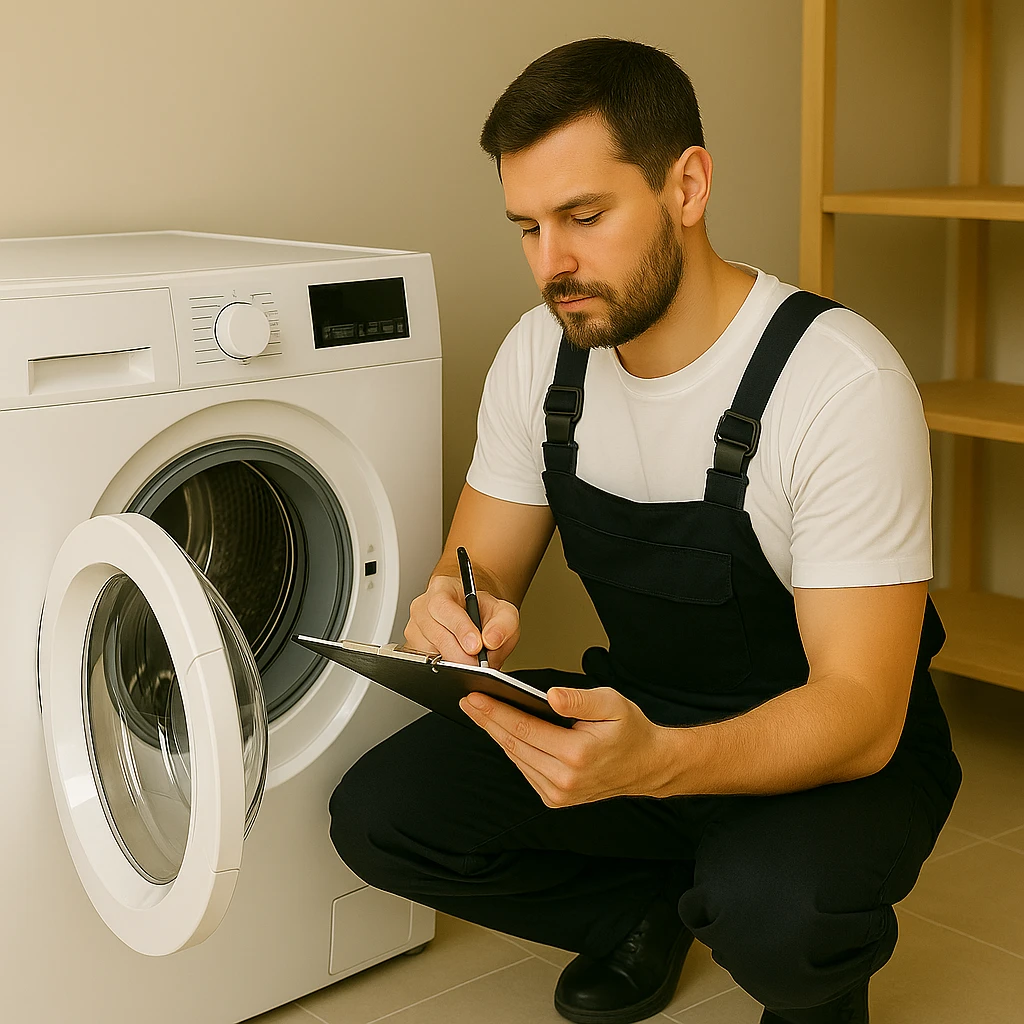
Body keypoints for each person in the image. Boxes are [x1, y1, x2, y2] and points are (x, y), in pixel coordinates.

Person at [329, 37, 962, 1024]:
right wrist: (461, 607)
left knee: (779, 915)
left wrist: (653, 761)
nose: (553, 264)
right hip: (643, 710)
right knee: (381, 817)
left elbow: (860, 710)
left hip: (832, 750)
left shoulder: (839, 381)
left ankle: (809, 976)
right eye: (528, 227)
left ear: (687, 185)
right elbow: (482, 558)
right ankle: (646, 911)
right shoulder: (543, 354)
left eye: (584, 216)